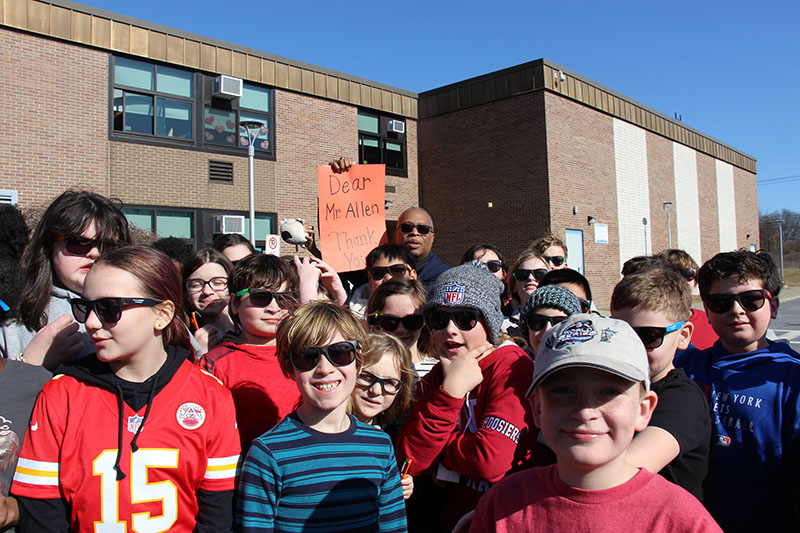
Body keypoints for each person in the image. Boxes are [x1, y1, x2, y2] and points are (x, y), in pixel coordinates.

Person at [10, 245, 241, 532]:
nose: (91, 323)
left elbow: (217, 518)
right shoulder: (60, 395)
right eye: (85, 307)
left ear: (163, 314)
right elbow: (41, 515)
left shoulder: (211, 396)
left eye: (109, 308)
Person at [469, 314, 721, 532]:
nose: (585, 410)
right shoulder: (501, 505)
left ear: (643, 410)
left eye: (609, 392)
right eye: (563, 391)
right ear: (537, 408)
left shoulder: (681, 519)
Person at [237, 301, 407, 532]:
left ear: (358, 360)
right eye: (307, 356)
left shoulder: (380, 445)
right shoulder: (268, 453)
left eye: (340, 353)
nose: (324, 368)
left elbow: (394, 527)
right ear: (290, 367)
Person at [397, 261, 535, 531]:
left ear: (490, 320)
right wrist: (450, 394)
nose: (450, 329)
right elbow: (408, 460)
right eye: (438, 319)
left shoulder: (512, 366)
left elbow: (490, 460)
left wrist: (440, 459)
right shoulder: (438, 375)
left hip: (506, 520)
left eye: (465, 318)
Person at [674, 249, 800, 532]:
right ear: (706, 310)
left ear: (774, 306)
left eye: (751, 299)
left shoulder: (792, 377)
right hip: (696, 520)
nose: (736, 311)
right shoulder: (686, 366)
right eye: (721, 303)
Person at [610, 267, 711, 501]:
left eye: (649, 336)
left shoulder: (682, 399)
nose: (632, 347)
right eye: (621, 333)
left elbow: (624, 472)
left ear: (683, 335)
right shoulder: (616, 388)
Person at [2, 191, 130, 369]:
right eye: (78, 243)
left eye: (108, 246)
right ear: (49, 245)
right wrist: (30, 362)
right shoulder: (9, 315)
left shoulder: (140, 310)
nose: (95, 253)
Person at [200, 254, 301, 453]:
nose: (273, 308)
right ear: (234, 304)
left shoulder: (306, 356)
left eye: (283, 299)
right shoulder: (215, 363)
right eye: (260, 297)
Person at [350, 331, 416, 499]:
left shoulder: (393, 437)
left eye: (389, 383)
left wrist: (402, 485)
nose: (375, 390)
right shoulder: (323, 427)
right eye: (366, 377)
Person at [365, 277, 436, 379]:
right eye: (389, 322)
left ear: (424, 321)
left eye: (411, 321)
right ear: (376, 321)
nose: (400, 330)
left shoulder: (438, 371)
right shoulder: (362, 368)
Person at [656, 248, 718, 349]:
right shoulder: (644, 327)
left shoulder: (715, 321)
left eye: (687, 274)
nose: (679, 281)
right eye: (670, 274)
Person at [182, 248, 237, 354]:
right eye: (196, 284)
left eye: (218, 283)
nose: (207, 291)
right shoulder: (178, 337)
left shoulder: (248, 328)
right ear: (185, 291)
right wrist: (197, 354)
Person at [348, 244, 417, 318]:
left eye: (397, 270)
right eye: (378, 273)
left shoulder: (427, 313)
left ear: (412, 276)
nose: (388, 278)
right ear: (370, 281)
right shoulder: (353, 323)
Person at [519, 284, 582, 358]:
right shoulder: (517, 367)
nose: (547, 330)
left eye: (559, 324)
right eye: (537, 323)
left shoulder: (589, 367)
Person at [394, 207, 448, 287]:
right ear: (395, 235)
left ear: (432, 238)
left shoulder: (446, 279)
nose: (414, 232)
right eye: (406, 228)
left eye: (423, 229)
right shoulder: (379, 276)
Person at [503, 249, 549, 338]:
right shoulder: (500, 323)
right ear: (514, 285)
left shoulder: (560, 321)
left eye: (539, 274)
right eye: (523, 274)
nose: (530, 278)